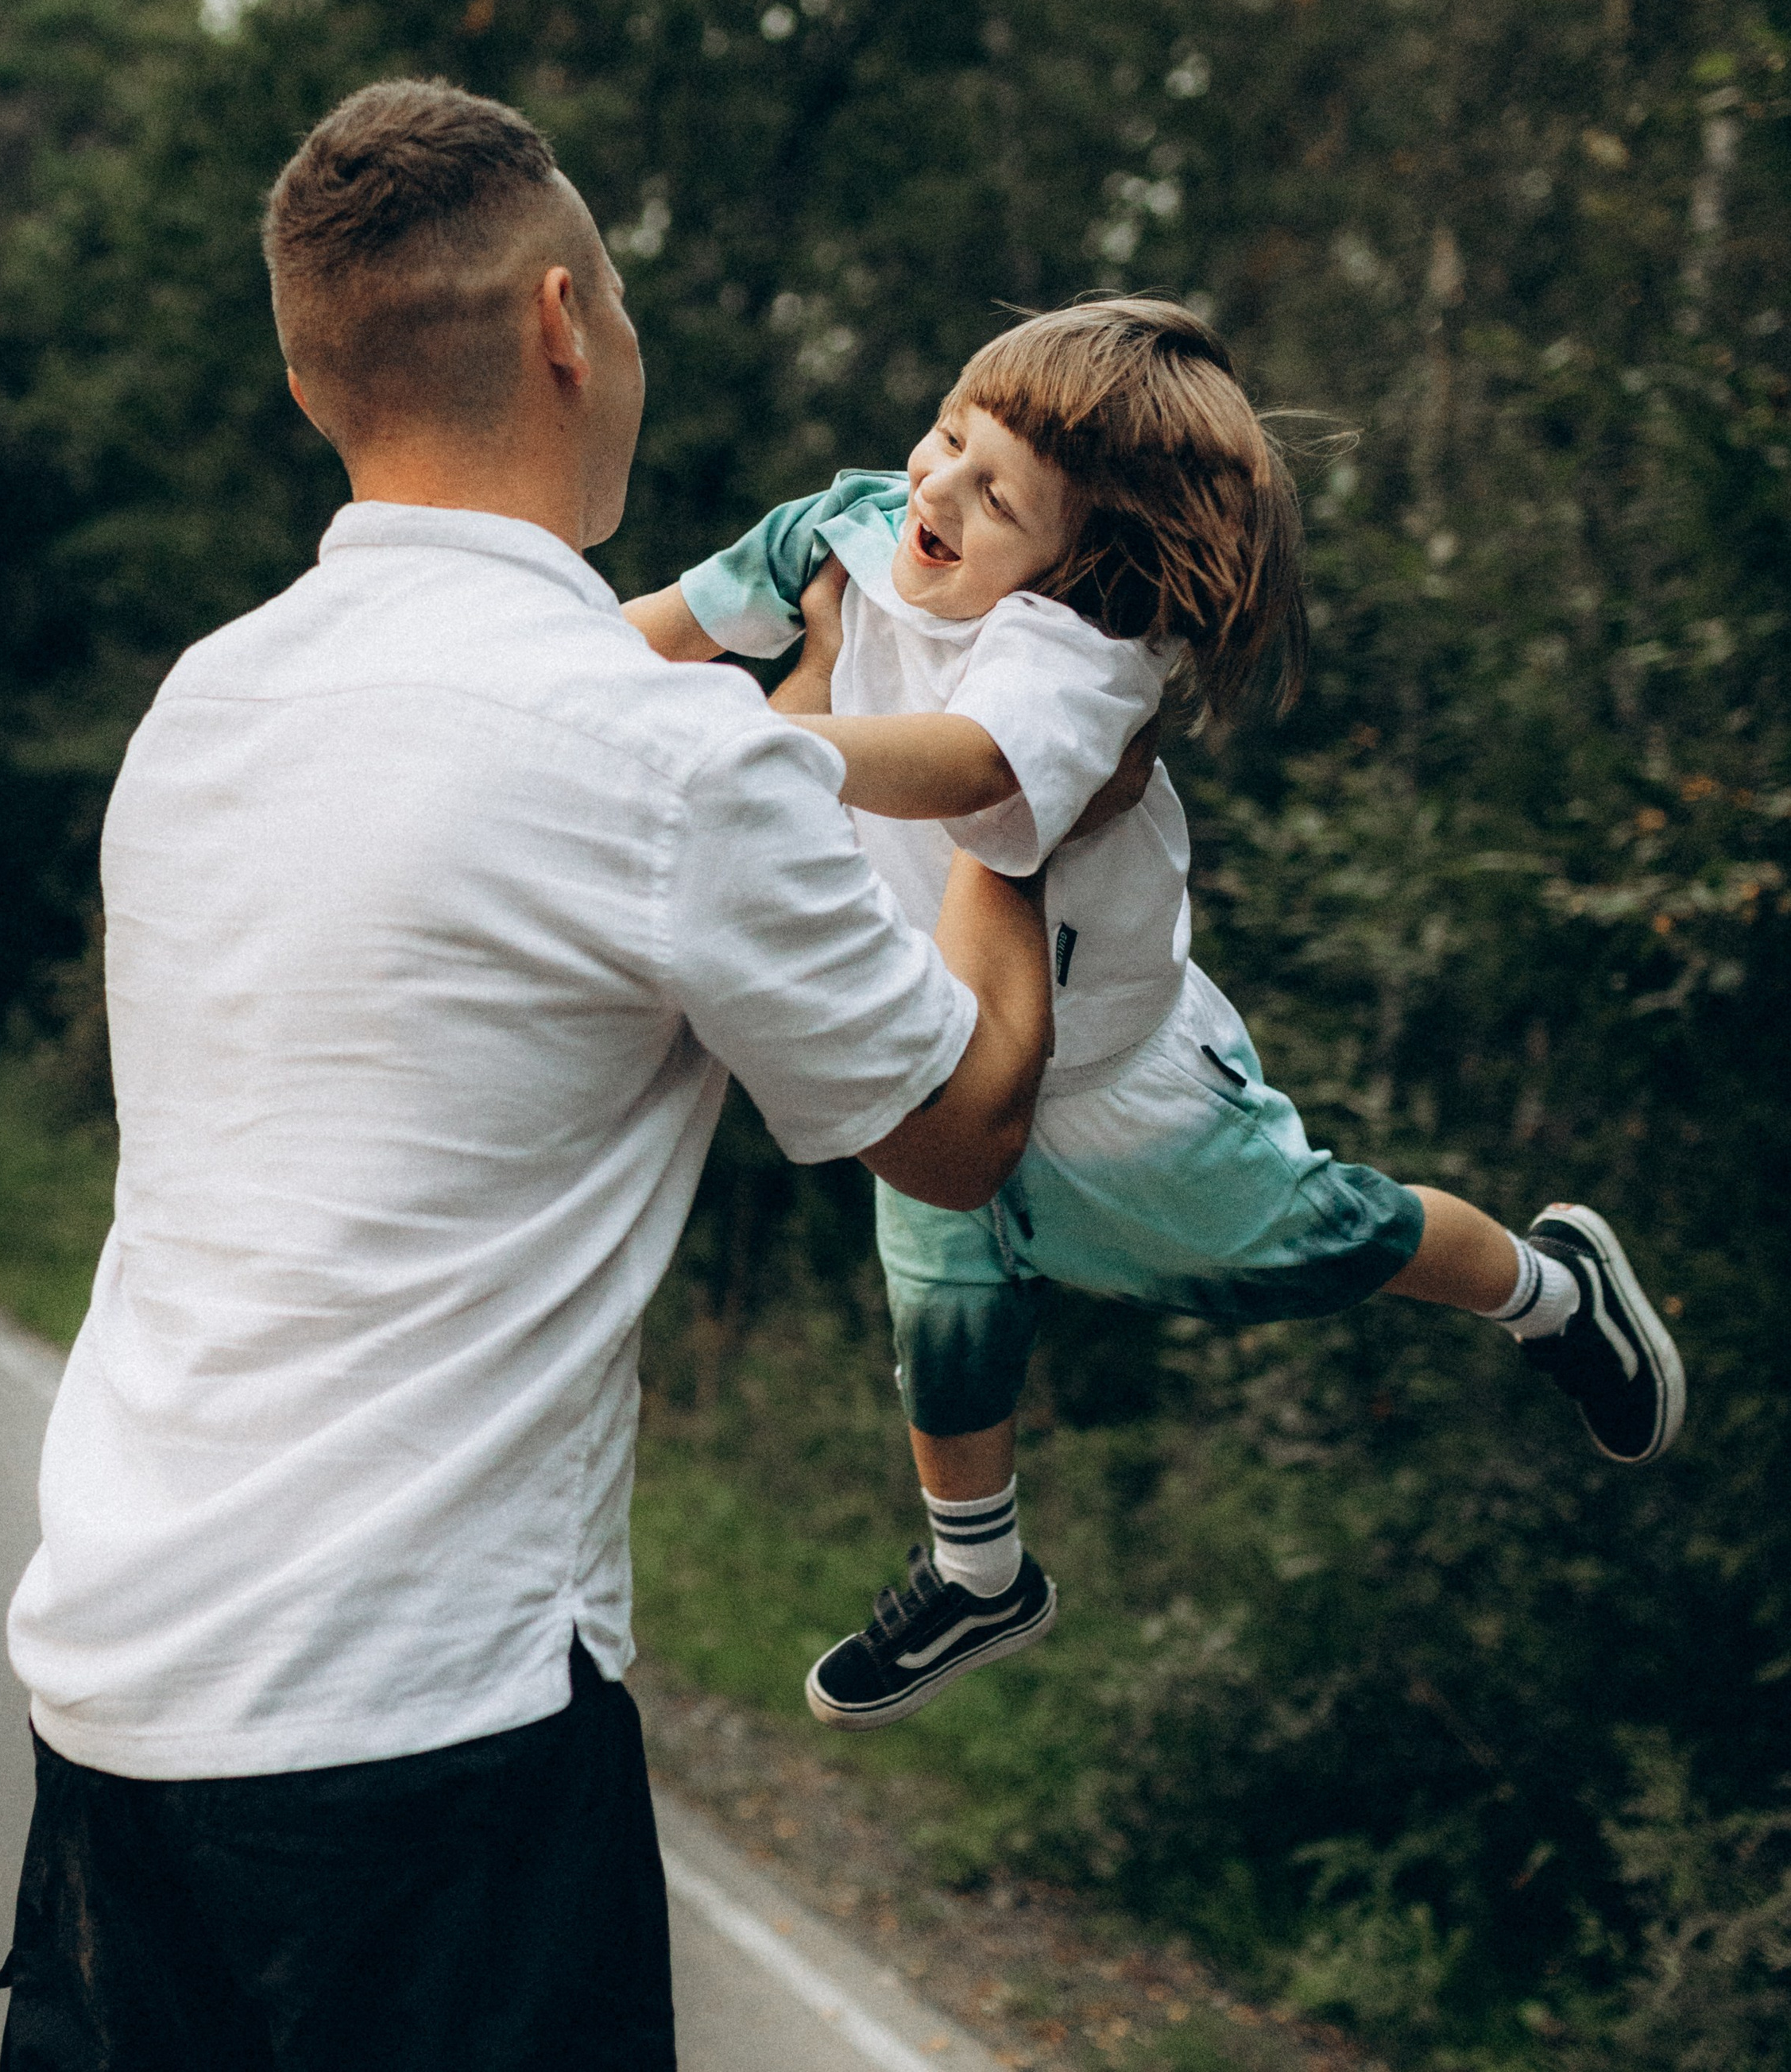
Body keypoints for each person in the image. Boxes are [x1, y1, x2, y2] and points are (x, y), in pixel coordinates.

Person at [0, 78, 1070, 2072]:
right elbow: (961, 1116)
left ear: (325, 383)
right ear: (566, 322)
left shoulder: (206, 700)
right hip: (423, 1746)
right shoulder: (657, 761)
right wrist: (1028, 760)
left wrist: (798, 718)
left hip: (116, 1709)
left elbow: (597, 844)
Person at [625, 297, 1686, 1733]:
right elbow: (652, 638)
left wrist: (759, 739)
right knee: (940, 1315)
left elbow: (968, 767)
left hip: (1119, 1087)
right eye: (948, 434)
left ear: (1085, 560)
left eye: (998, 497)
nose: (937, 489)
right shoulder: (847, 530)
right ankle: (978, 1571)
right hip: (944, 1036)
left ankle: (1553, 1290)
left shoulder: (1079, 653)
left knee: (1318, 1240)